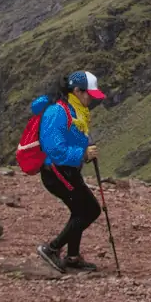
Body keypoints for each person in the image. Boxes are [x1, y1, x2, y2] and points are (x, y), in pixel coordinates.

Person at [34, 70, 107, 274]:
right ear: (77, 91)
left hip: (67, 171)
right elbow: (54, 149)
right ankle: (51, 249)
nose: (91, 99)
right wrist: (83, 154)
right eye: (89, 95)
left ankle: (73, 257)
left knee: (80, 210)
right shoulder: (57, 112)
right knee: (90, 210)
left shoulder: (75, 110)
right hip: (56, 172)